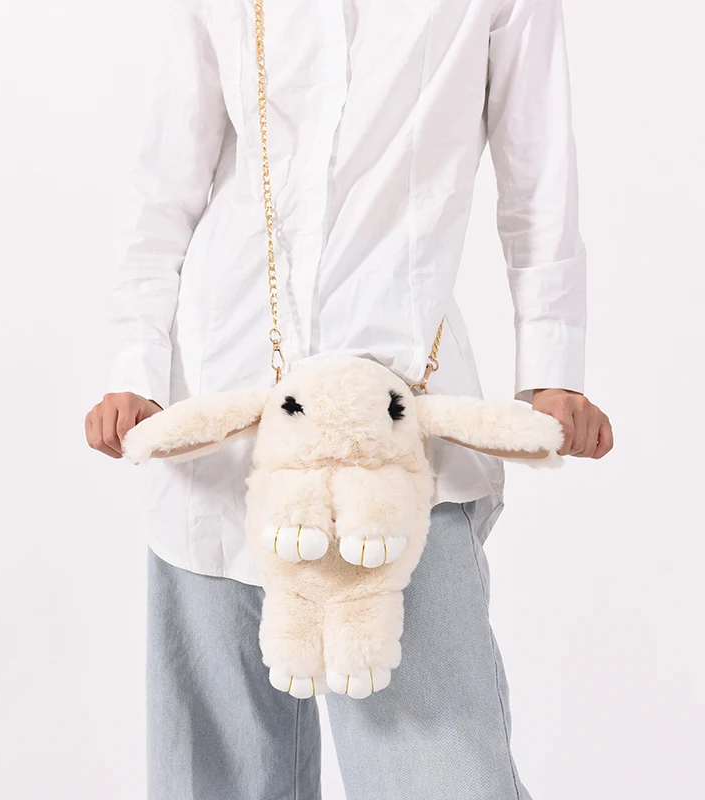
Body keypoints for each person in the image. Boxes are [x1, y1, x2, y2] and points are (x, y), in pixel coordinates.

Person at [85, 0, 613, 797]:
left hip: (400, 427)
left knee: (442, 773)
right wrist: (136, 363)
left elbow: (536, 165)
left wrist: (553, 363)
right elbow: (167, 180)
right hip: (221, 411)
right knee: (215, 779)